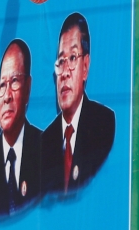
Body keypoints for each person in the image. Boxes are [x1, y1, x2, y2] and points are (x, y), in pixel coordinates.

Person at [40, 13, 115, 195]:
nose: (65, 72)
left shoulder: (104, 122)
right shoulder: (44, 142)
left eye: (72, 58)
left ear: (86, 66)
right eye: (61, 61)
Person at [0, 39, 42, 217]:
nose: (7, 97)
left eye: (15, 81)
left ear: (28, 88)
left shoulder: (46, 150)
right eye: (2, 86)